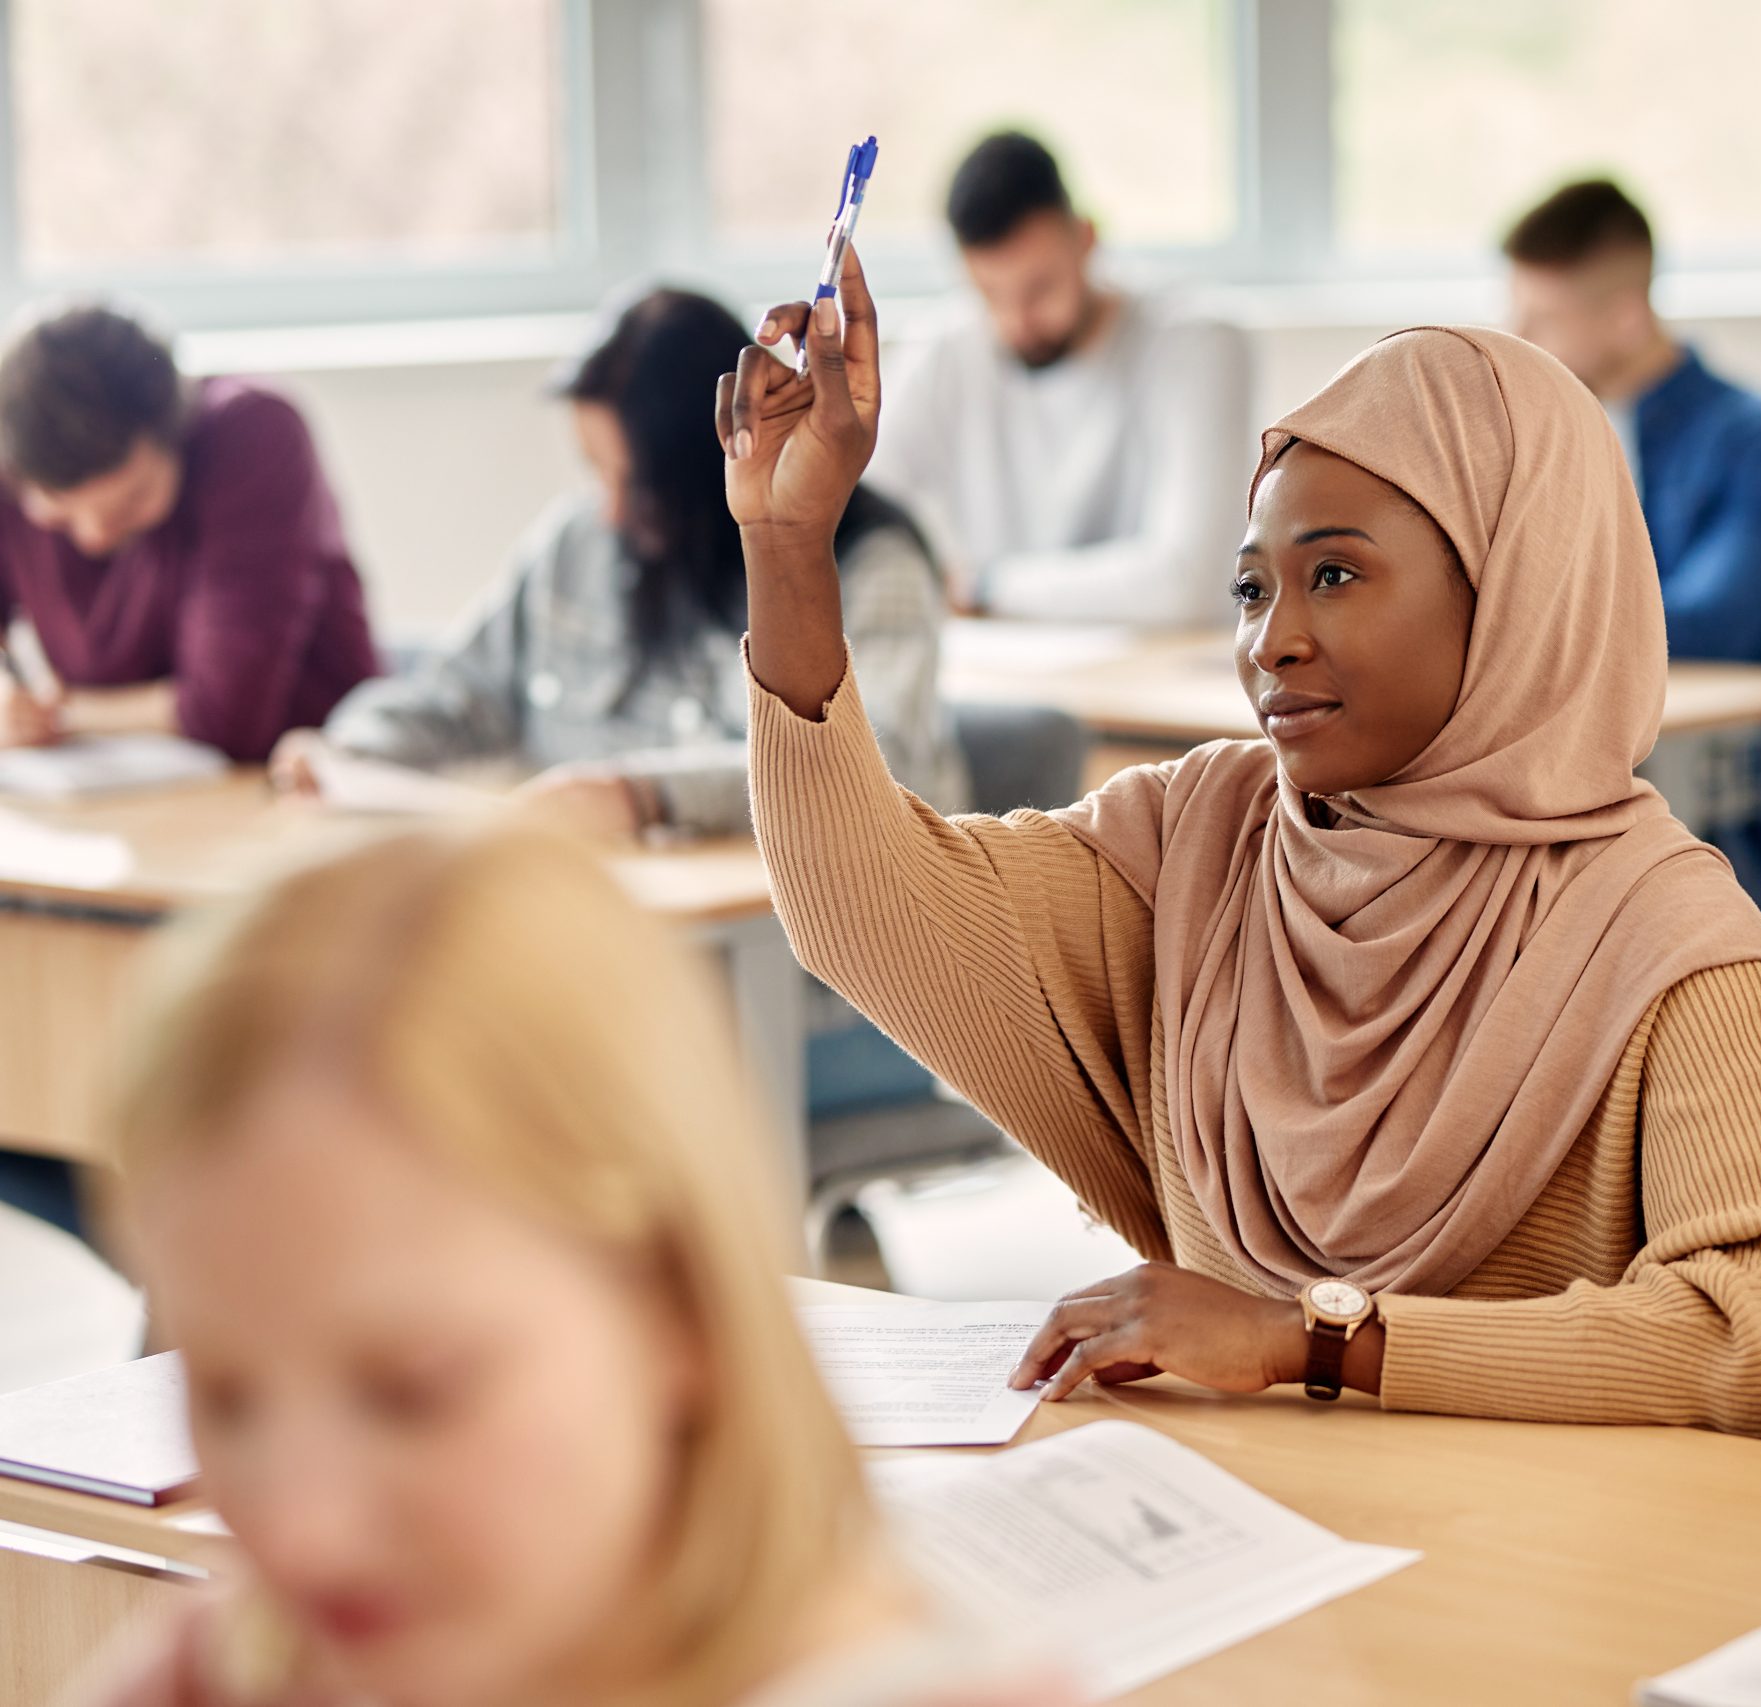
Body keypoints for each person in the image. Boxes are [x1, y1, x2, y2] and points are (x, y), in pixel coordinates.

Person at [718, 244, 1761, 1434]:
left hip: (1529, 1573)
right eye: (1253, 589)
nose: (1272, 642)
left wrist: (1312, 1341)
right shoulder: (1204, 839)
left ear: (1514, 590)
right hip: (1251, 1531)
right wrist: (790, 550)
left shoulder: (1661, 927)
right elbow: (869, 910)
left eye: (1336, 576)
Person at [64, 827, 1062, 1707]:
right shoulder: (237, 1671)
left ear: (680, 1309)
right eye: (226, 1395)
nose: (299, 1529)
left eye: (416, 1394)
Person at [272, 287, 967, 835]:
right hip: (602, 926)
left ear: (699, 472)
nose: (607, 512)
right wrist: (344, 750)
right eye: (594, 473)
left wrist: (645, 796)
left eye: (628, 484)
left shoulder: (874, 567)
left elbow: (881, 768)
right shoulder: (579, 543)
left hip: (791, 956)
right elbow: (459, 689)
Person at [1504, 179, 1761, 921]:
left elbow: (1713, 621)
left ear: (1625, 315)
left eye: (1543, 321)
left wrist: (1522, 623)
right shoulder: (1537, 438)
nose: (1521, 343)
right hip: (1556, 793)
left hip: (1700, 809)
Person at [863, 131, 1252, 628]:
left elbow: (1193, 582)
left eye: (1039, 288)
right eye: (989, 293)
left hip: (1155, 681)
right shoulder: (942, 353)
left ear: (1087, 238)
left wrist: (985, 586)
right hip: (999, 677)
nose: (1016, 320)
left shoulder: (1198, 343)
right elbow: (862, 521)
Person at [0, 302, 378, 762]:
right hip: (127, 790)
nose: (94, 537)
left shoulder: (254, 435)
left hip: (308, 777)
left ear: (177, 433)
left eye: (132, 502)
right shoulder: (13, 466)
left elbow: (223, 716)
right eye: (58, 512)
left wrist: (63, 713)